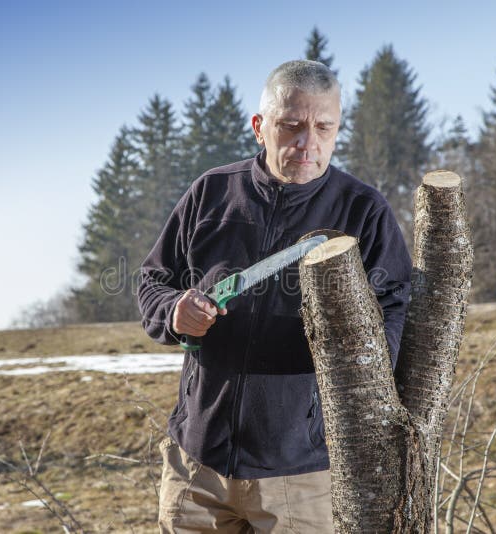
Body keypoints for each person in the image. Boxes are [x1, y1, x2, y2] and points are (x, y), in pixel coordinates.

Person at [137, 59, 412, 533]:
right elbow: (152, 280)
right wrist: (173, 312)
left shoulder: (363, 210)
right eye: (291, 126)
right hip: (196, 464)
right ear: (260, 127)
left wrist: (354, 364)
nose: (309, 143)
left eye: (324, 127)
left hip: (301, 474)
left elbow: (397, 310)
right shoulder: (212, 193)